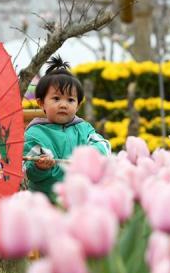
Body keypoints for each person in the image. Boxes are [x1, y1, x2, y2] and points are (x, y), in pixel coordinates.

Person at [23, 55, 111, 200]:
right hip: (47, 201)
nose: (63, 104)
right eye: (56, 98)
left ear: (78, 105)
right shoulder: (35, 133)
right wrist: (40, 167)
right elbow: (29, 170)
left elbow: (104, 145)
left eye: (70, 100)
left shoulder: (83, 128)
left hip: (82, 198)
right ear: (41, 103)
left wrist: (90, 155)